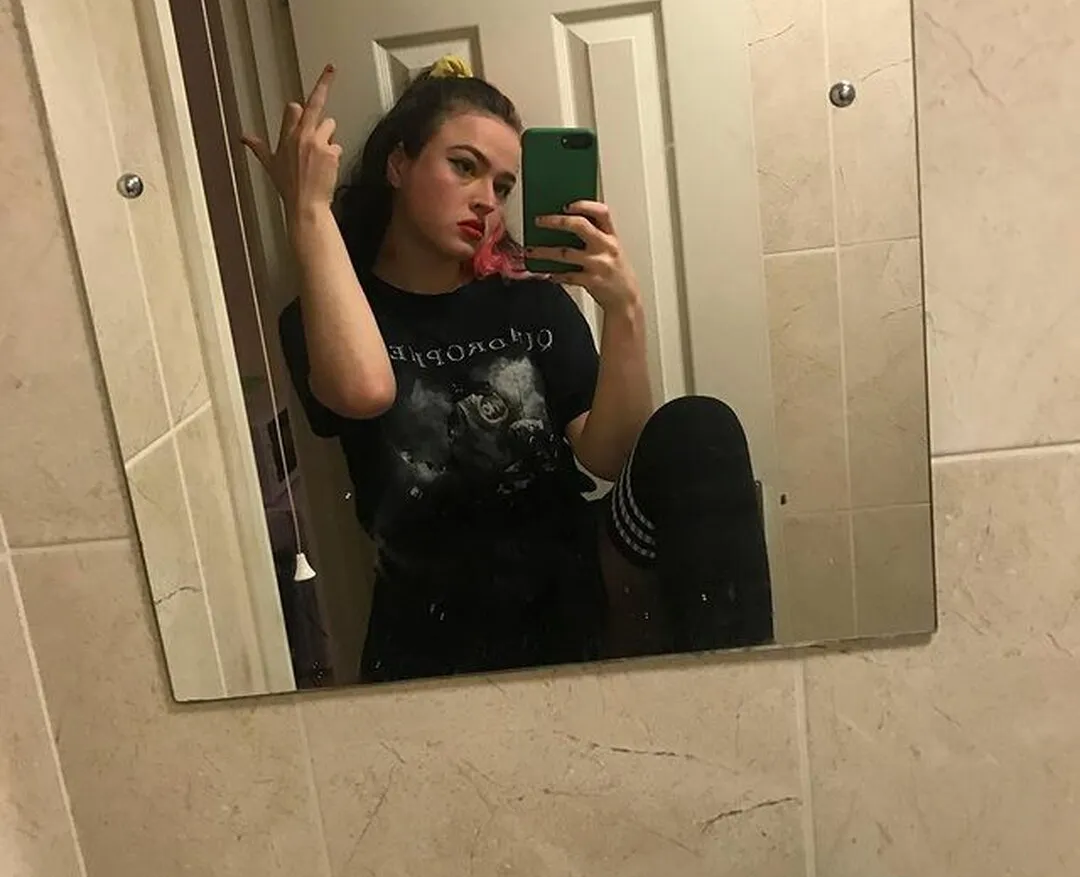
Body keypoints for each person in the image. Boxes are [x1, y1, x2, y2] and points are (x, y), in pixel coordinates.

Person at [242, 56, 773, 683]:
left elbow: (606, 456)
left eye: (502, 187)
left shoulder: (529, 301)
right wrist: (308, 210)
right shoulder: (329, 313)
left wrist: (624, 310)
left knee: (701, 428)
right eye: (464, 166)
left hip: (577, 586)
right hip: (432, 619)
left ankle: (743, 695)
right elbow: (364, 390)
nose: (486, 201)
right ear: (398, 165)